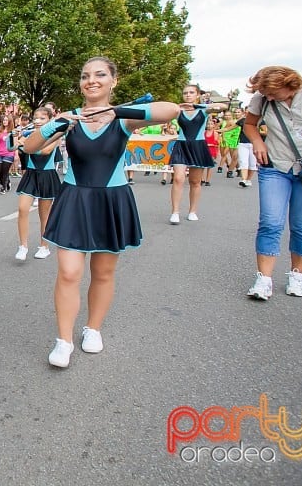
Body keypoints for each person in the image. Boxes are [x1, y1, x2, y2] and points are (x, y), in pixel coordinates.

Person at [23, 57, 179, 368]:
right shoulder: (72, 119)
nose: (91, 80)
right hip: (73, 200)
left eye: (100, 75)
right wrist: (59, 121)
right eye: (84, 76)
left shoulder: (124, 118)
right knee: (68, 273)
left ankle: (93, 328)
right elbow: (30, 146)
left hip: (111, 200)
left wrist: (115, 111)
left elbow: (171, 110)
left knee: (103, 272)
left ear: (113, 81)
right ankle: (63, 340)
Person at [243, 66, 302, 300]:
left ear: (291, 85)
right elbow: (250, 124)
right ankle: (263, 280)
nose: (268, 97)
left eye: (273, 92)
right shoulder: (261, 98)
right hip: (276, 166)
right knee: (270, 223)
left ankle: (297, 275)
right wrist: (258, 142)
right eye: (265, 93)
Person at [167, 84, 226, 223]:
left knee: (195, 181)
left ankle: (192, 211)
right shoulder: (178, 110)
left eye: (191, 92)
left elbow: (223, 106)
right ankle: (175, 212)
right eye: (185, 93)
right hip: (181, 145)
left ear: (197, 95)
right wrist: (177, 107)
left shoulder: (204, 110)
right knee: (178, 178)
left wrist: (199, 106)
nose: (188, 95)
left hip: (198, 146)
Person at [14, 106, 61, 261]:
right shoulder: (29, 134)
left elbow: (45, 151)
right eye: (35, 118)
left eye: (42, 118)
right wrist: (13, 138)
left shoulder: (56, 135)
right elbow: (11, 146)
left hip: (47, 175)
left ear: (49, 120)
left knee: (44, 214)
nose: (37, 121)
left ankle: (44, 246)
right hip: (31, 174)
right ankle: (23, 246)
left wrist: (24, 145)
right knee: (22, 209)